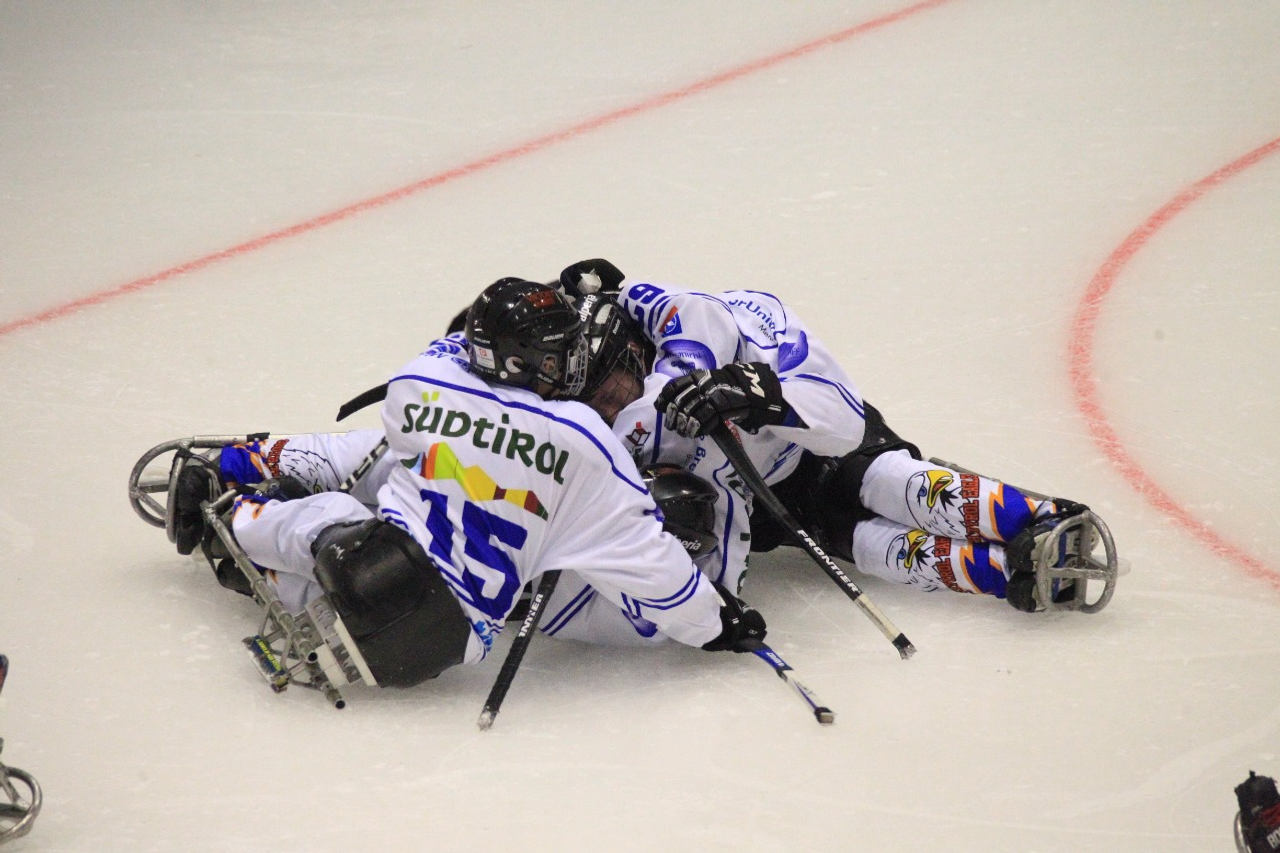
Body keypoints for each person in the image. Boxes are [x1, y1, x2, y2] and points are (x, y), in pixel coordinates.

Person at [167, 277, 766, 688]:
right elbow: (657, 572)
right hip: (445, 649)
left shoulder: (421, 380)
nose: (570, 368)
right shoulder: (588, 441)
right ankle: (249, 550)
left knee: (356, 499)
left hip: (373, 567)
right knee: (397, 510)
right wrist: (718, 622)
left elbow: (443, 366)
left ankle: (235, 511)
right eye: (559, 357)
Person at [552, 259, 1116, 617]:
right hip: (765, 506)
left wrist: (764, 397)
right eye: (593, 404)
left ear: (633, 347)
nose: (610, 411)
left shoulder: (744, 316)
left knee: (888, 483)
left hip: (819, 448)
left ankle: (1036, 517)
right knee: (870, 547)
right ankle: (1011, 576)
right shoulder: (602, 424)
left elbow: (841, 423)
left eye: (612, 389)